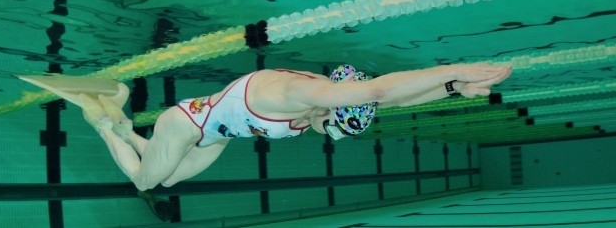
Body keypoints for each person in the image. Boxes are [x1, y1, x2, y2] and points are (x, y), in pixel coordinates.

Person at [81, 63, 512, 191]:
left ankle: (124, 131)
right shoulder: (297, 95)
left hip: (214, 136)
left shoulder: (319, 109)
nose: (331, 135)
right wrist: (462, 68)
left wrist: (455, 88)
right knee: (144, 182)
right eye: (336, 128)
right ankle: (104, 122)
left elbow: (393, 98)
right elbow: (379, 91)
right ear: (335, 109)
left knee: (169, 178)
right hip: (186, 123)